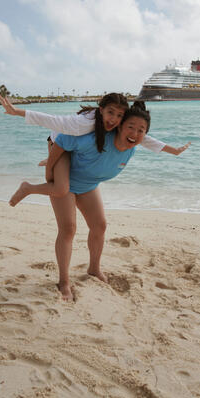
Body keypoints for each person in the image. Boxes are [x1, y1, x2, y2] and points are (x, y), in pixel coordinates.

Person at [40, 102, 151, 301]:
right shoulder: (96, 139)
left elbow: (155, 143)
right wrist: (49, 167)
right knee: (68, 229)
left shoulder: (132, 148)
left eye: (141, 130)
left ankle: (93, 269)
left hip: (87, 185)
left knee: (99, 226)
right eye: (131, 127)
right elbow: (63, 139)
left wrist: (176, 150)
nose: (135, 133)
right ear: (120, 126)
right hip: (64, 181)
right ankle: (64, 282)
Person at [0, 93, 190, 206]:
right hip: (59, 142)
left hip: (75, 148)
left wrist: (174, 151)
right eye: (110, 113)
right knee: (60, 189)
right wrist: (17, 112)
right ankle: (28, 188)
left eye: (119, 116)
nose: (114, 119)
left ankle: (48, 162)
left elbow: (143, 137)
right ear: (101, 110)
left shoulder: (117, 124)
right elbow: (53, 121)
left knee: (62, 172)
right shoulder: (82, 124)